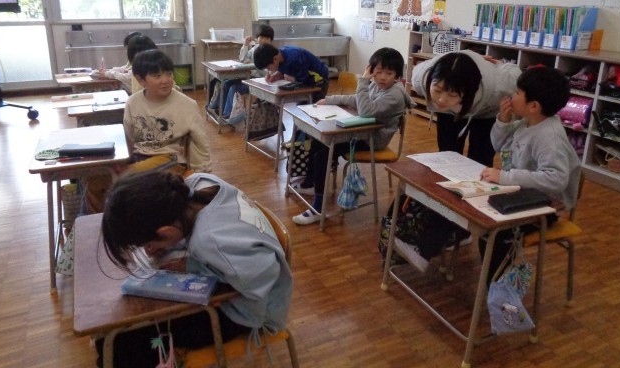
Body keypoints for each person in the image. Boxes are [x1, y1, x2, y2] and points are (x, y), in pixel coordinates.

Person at [97, 170, 293, 368]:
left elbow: (258, 280)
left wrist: (197, 268)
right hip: (244, 286)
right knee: (112, 338)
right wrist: (172, 248)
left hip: (247, 315)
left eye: (147, 244)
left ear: (166, 231)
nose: (148, 251)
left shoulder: (211, 242)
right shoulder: (198, 183)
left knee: (122, 344)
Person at [398, 51, 522, 272]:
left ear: (467, 92)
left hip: (486, 110)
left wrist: (501, 63)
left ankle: (464, 229)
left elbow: (516, 73)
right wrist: (446, 97)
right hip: (451, 111)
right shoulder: (421, 77)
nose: (441, 99)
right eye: (437, 90)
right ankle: (445, 221)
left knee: (480, 164)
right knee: (447, 158)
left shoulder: (499, 86)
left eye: (451, 94)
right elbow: (441, 93)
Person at [479, 66, 581, 282]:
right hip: (522, 195)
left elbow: (556, 180)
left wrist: (505, 177)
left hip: (546, 207)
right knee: (483, 221)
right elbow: (499, 146)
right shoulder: (527, 123)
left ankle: (497, 288)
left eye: (517, 92)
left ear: (534, 106)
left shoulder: (549, 137)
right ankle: (494, 283)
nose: (511, 96)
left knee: (495, 232)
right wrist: (503, 121)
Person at [290, 47, 413, 225]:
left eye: (389, 73)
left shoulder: (394, 94)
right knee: (318, 141)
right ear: (372, 69)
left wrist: (363, 80)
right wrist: (329, 100)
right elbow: (357, 99)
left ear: (397, 75)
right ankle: (311, 184)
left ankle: (318, 207)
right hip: (363, 133)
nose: (383, 77)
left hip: (372, 141)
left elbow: (365, 111)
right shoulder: (377, 85)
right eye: (378, 72)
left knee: (324, 153)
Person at [82, 49, 211, 213]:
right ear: (140, 79)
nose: (166, 80)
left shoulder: (187, 105)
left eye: (169, 74)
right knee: (95, 179)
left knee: (127, 177)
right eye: (157, 76)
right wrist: (121, 161)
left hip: (171, 158)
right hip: (139, 157)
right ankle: (102, 222)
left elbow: (200, 142)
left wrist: (202, 173)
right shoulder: (133, 102)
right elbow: (130, 136)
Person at [207, 24, 273, 118]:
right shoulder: (255, 49)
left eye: (266, 38)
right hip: (249, 78)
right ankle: (218, 108)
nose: (263, 40)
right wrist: (245, 45)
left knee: (234, 88)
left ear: (270, 40)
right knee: (226, 83)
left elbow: (267, 73)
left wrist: (253, 65)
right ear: (257, 38)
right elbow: (242, 58)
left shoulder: (271, 53)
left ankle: (228, 114)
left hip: (259, 82)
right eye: (261, 37)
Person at [253, 42, 329, 102]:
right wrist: (277, 75)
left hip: (318, 81)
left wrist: (289, 78)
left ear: (275, 59)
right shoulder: (279, 56)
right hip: (308, 81)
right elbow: (284, 69)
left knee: (308, 109)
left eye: (268, 67)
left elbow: (304, 81)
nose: (269, 70)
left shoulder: (295, 58)